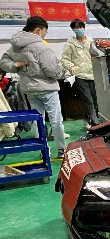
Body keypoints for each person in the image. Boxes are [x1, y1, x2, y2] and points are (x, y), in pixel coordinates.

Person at [0, 15, 66, 158]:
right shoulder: (41, 47)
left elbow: (3, 62)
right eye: (44, 32)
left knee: (37, 120)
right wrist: (62, 72)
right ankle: (61, 150)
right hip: (47, 89)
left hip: (30, 89)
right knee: (56, 120)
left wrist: (15, 65)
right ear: (38, 30)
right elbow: (52, 70)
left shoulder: (15, 47)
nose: (44, 36)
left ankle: (44, 151)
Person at [60, 18, 100, 128]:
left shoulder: (91, 42)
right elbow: (65, 60)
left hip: (92, 74)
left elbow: (97, 55)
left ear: (84, 28)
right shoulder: (70, 44)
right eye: (76, 28)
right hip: (80, 75)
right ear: (73, 30)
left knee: (94, 100)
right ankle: (95, 123)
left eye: (81, 27)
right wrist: (71, 66)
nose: (79, 30)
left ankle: (87, 118)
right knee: (88, 100)